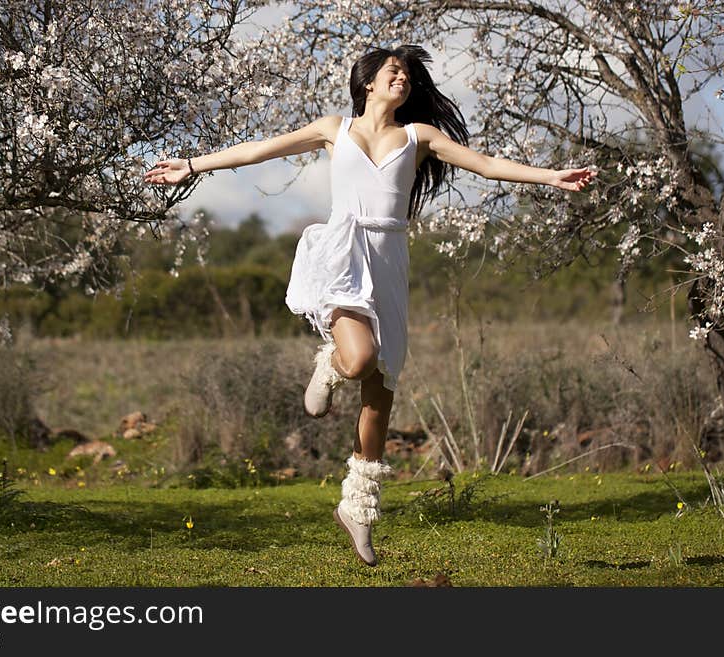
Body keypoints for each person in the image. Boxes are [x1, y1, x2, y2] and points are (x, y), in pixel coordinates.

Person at [144, 44, 597, 567]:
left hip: (389, 263)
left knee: (379, 397)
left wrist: (550, 176)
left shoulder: (418, 137)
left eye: (406, 73)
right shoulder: (333, 129)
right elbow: (260, 150)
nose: (401, 78)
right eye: (392, 71)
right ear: (367, 82)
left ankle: (358, 506)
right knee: (357, 360)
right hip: (343, 254)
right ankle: (330, 364)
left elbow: (487, 164)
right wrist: (193, 165)